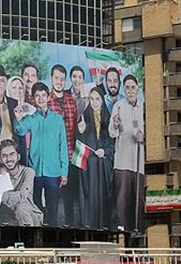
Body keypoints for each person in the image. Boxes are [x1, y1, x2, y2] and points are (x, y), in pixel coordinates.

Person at [14, 82, 68, 226]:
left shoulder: (57, 120)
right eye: (37, 96)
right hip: (35, 171)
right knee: (35, 207)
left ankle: (53, 234)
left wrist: (64, 171)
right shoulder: (31, 119)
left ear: (48, 96)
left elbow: (63, 147)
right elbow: (20, 130)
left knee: (53, 208)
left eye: (43, 95)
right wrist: (19, 118)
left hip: (53, 171)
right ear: (33, 98)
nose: (41, 98)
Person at [75, 85, 115, 229]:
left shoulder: (109, 119)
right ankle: (88, 226)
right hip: (89, 168)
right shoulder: (84, 118)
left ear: (102, 101)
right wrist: (80, 132)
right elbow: (78, 144)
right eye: (91, 99)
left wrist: (105, 151)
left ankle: (105, 225)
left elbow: (113, 143)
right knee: (89, 197)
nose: (94, 102)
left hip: (104, 167)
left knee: (104, 197)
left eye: (97, 99)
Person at [46, 64, 80, 227]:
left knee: (69, 194)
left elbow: (75, 130)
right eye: (56, 78)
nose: (59, 82)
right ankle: (52, 224)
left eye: (62, 79)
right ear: (51, 78)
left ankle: (69, 223)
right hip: (51, 157)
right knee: (52, 193)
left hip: (69, 154)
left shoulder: (71, 102)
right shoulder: (46, 100)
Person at [110, 74, 145, 233]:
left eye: (132, 87)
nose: (130, 91)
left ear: (137, 88)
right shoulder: (118, 106)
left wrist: (143, 137)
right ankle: (122, 228)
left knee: (138, 198)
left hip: (138, 161)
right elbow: (111, 133)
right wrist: (116, 124)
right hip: (122, 161)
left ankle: (137, 227)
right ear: (124, 90)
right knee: (122, 198)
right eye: (127, 88)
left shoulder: (144, 107)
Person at [0, 140, 43, 226]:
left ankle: (29, 238)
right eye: (4, 156)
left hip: (30, 217)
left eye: (12, 154)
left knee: (21, 207)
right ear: (0, 160)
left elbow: (22, 196)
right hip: (9, 219)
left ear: (18, 156)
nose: (9, 159)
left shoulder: (28, 172)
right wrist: (1, 178)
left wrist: (0, 196)